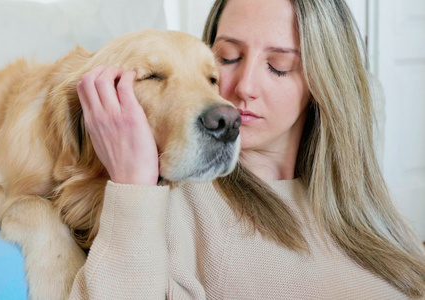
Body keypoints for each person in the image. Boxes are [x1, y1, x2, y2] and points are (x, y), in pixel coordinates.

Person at [69, 0, 425, 299]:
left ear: (324, 81)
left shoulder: (358, 196)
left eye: (278, 66)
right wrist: (133, 187)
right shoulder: (175, 197)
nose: (243, 88)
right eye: (226, 58)